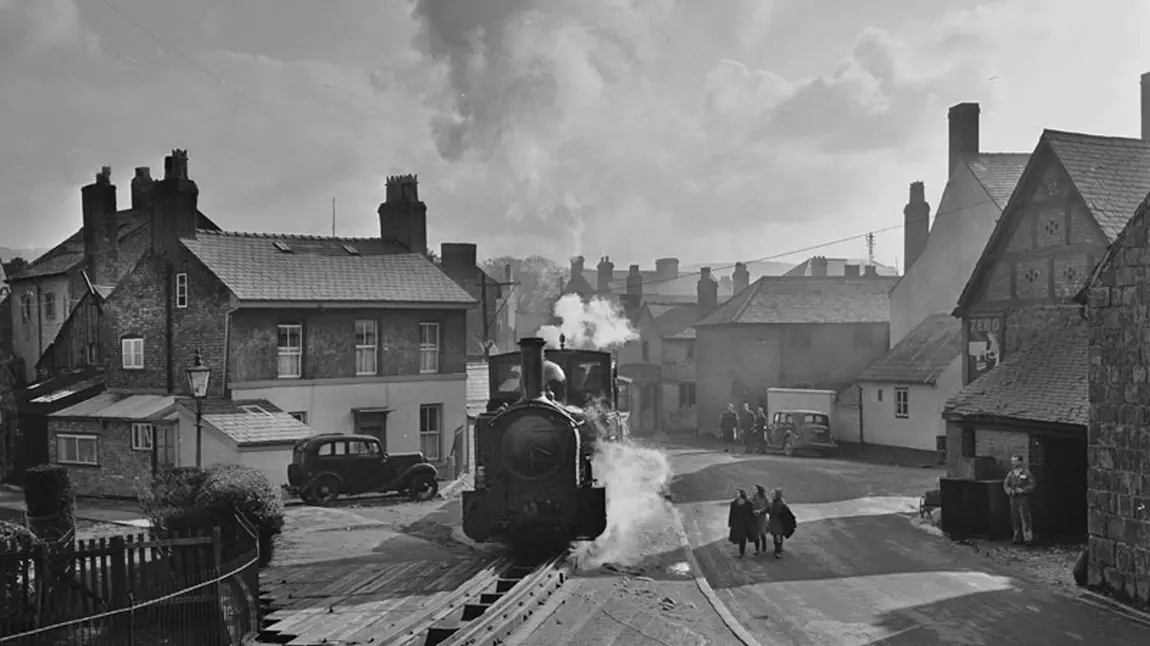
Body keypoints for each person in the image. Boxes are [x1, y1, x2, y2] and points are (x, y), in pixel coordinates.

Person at [1003, 454, 1036, 545]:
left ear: (1020, 462)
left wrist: (1023, 490)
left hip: (1023, 498)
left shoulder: (1026, 473)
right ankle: (1017, 537)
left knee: (1025, 518)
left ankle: (1028, 538)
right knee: (1015, 518)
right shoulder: (1011, 473)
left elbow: (1032, 484)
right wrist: (1009, 491)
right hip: (1013, 498)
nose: (1013, 463)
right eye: (1012, 461)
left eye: (1015, 461)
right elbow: (1006, 485)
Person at [765, 488, 797, 559]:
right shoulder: (773, 503)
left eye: (773, 494)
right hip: (773, 523)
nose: (772, 495)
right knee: (775, 536)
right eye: (772, 494)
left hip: (779, 524)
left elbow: (786, 514)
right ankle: (778, 548)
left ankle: (778, 551)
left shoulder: (781, 504)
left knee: (778, 537)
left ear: (777, 495)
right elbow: (768, 509)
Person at [728, 489, 757, 558]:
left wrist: (752, 523)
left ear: (741, 494)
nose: (735, 494)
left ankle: (742, 552)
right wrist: (730, 522)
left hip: (745, 523)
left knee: (743, 538)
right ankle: (741, 552)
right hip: (736, 523)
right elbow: (731, 514)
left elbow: (751, 514)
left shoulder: (748, 503)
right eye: (735, 493)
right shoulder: (733, 503)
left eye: (737, 493)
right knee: (739, 538)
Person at [750, 484, 770, 554]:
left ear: (758, 490)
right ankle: (757, 549)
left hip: (762, 518)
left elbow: (767, 506)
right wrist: (752, 511)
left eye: (754, 489)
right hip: (754, 518)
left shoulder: (764, 498)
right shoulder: (751, 498)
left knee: (762, 533)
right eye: (752, 489)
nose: (753, 491)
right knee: (755, 533)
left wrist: (760, 511)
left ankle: (764, 547)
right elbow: (750, 507)